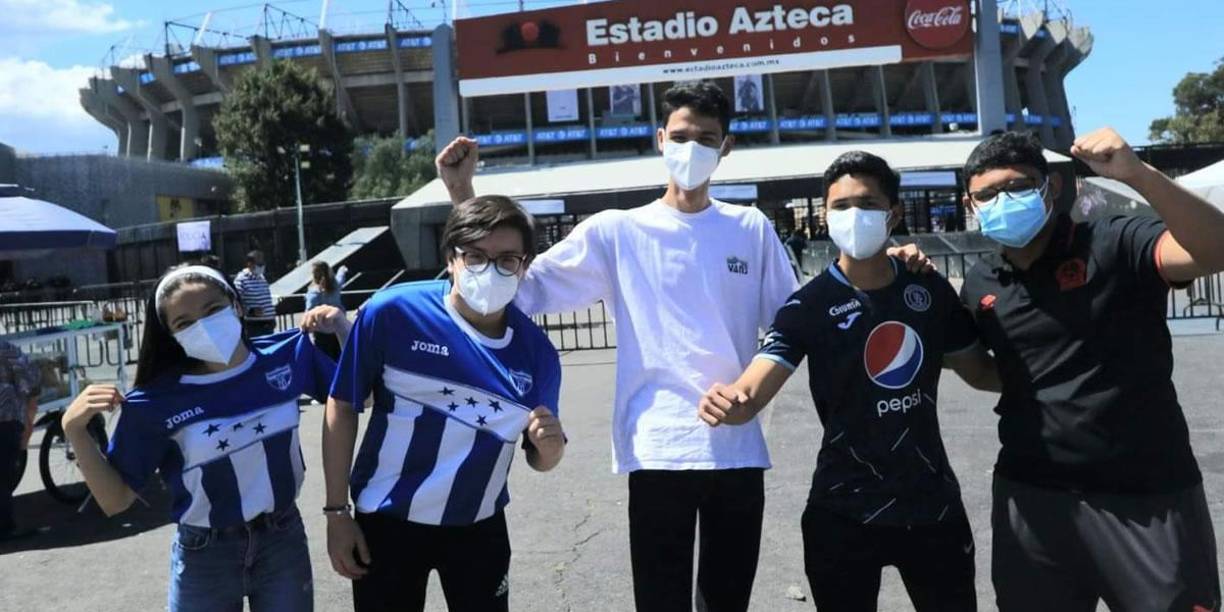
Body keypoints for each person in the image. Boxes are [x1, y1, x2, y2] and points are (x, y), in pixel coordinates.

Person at [436, 81, 933, 612]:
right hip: (658, 450)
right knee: (661, 601)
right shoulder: (617, 233)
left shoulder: (750, 228)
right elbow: (522, 289)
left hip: (737, 448)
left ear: (726, 147)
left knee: (726, 602)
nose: (691, 148)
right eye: (681, 136)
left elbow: (802, 319)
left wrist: (883, 261)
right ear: (659, 139)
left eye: (706, 138)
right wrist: (463, 193)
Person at [697, 151, 999, 611]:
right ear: (824, 215)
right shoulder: (809, 306)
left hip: (931, 506)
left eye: (867, 203)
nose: (853, 215)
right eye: (840, 206)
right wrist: (731, 402)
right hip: (843, 510)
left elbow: (979, 371)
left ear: (893, 213)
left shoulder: (929, 290)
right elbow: (754, 389)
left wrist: (1055, 375)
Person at [958, 128, 1224, 611]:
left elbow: (1215, 250)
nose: (1003, 200)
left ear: (1050, 188)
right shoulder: (980, 283)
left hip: (1147, 497)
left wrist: (1139, 174)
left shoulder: (1114, 240)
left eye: (1017, 186)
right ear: (970, 203)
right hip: (1031, 495)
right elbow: (992, 371)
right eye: (988, 194)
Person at [322, 195, 566, 612]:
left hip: (478, 526)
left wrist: (551, 448)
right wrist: (335, 512)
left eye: (508, 259)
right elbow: (342, 406)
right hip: (386, 521)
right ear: (451, 258)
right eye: (475, 256)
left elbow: (541, 458)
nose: (491, 270)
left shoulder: (538, 353)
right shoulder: (393, 312)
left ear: (524, 266)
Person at [60, 264, 349, 611]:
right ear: (171, 336)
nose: (204, 326)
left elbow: (361, 398)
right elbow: (115, 500)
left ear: (237, 305)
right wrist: (73, 430)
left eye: (213, 309)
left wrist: (343, 330)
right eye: (184, 323)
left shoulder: (287, 355)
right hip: (205, 553)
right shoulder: (155, 403)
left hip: (282, 538)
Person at [0, 339, 40, 542]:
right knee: (3, 475)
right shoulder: (4, 348)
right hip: (5, 418)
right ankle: (4, 528)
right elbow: (28, 375)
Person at [305, 261, 349, 360]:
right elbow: (340, 278)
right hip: (338, 328)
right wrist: (342, 269)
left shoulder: (313, 292)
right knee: (339, 358)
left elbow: (309, 311)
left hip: (322, 332)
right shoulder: (336, 286)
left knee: (325, 362)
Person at [235, 250, 277, 337]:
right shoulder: (241, 279)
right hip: (254, 325)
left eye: (263, 263)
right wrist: (250, 311)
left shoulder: (262, 278)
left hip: (268, 323)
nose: (262, 267)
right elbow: (236, 302)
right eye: (259, 264)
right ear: (249, 264)